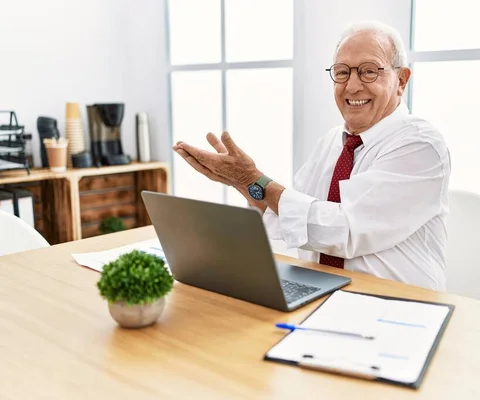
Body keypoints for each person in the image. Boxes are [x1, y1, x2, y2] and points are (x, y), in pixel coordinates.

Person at [173, 21, 450, 291]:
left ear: (401, 80)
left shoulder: (421, 145)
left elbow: (344, 229)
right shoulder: (331, 142)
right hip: (320, 293)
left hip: (397, 308)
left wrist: (252, 178)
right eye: (342, 72)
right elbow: (295, 218)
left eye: (368, 71)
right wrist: (244, 184)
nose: (352, 86)